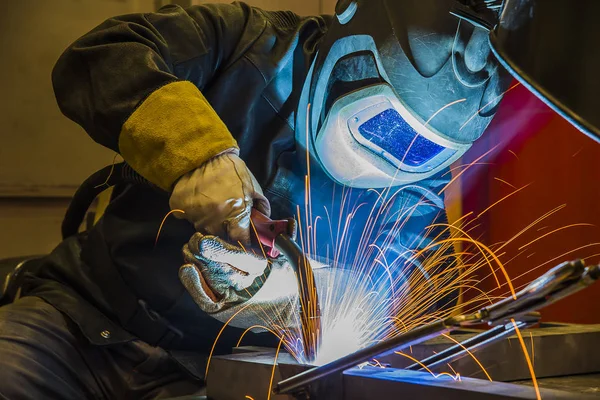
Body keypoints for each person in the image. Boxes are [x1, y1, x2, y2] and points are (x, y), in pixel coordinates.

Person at [0, 0, 510, 398]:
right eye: (383, 120)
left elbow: (407, 302)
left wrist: (295, 297)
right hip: (81, 321)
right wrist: (198, 155)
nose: (399, 155)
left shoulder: (417, 190)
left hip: (214, 376)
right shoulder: (247, 43)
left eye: (427, 150)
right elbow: (103, 54)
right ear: (350, 32)